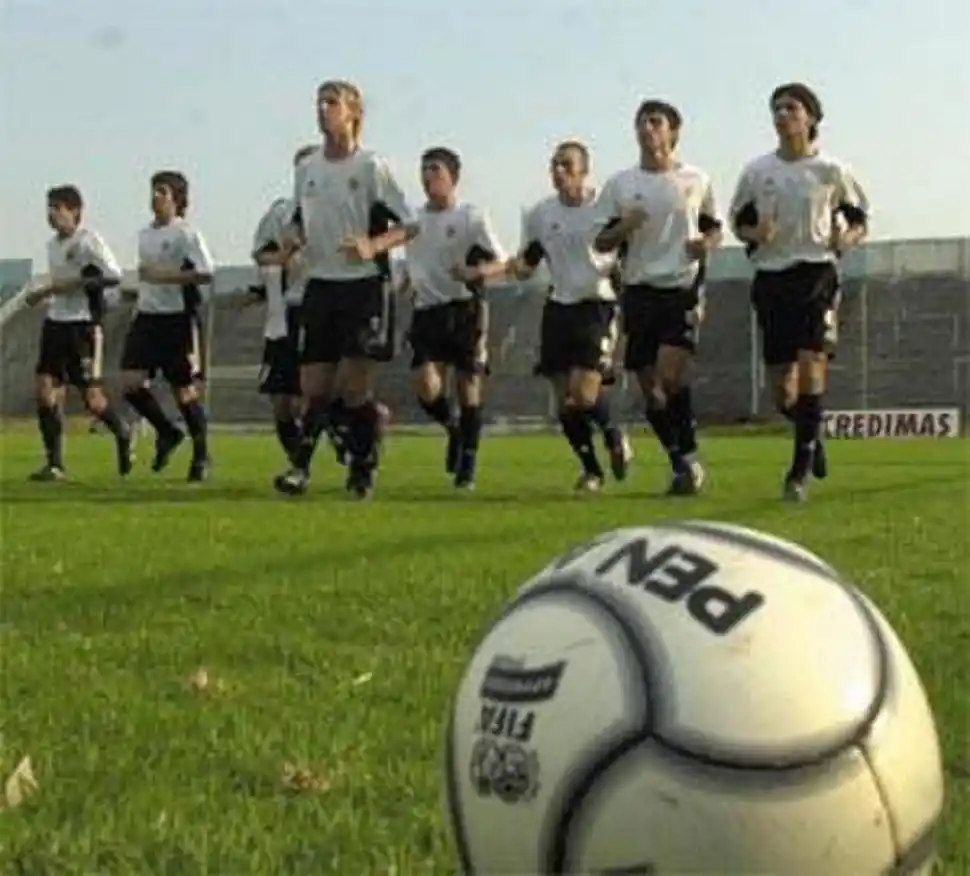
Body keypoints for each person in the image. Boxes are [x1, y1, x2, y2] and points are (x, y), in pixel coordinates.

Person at [273, 79, 414, 499]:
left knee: (353, 388)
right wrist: (293, 240)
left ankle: (358, 466)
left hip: (363, 288)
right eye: (319, 102)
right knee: (314, 389)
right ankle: (305, 467)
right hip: (320, 286)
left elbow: (409, 224)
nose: (322, 109)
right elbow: (298, 219)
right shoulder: (307, 169)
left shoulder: (371, 167)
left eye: (331, 103)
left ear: (353, 113)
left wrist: (373, 245)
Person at [729, 82, 868, 501]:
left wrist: (848, 239)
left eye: (790, 108)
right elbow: (737, 222)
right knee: (782, 391)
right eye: (776, 109)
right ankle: (811, 432)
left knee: (812, 363)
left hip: (816, 275)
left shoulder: (831, 170)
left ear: (810, 117)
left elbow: (860, 217)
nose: (782, 115)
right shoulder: (757, 172)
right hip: (772, 279)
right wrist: (757, 231)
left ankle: (798, 471)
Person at [594, 99, 723, 495]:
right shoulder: (620, 185)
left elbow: (714, 228)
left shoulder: (695, 179)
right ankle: (681, 459)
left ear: (673, 132)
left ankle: (688, 453)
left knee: (670, 375)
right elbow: (600, 241)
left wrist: (707, 244)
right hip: (638, 290)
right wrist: (624, 227)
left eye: (655, 121)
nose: (647, 128)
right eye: (641, 122)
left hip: (681, 287)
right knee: (650, 388)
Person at [505, 140, 632, 493]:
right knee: (564, 400)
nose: (559, 172)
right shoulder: (542, 215)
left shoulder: (604, 207)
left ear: (584, 170)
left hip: (597, 304)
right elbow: (528, 261)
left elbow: (628, 248)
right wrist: (518, 268)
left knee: (585, 394)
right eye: (554, 165)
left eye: (567, 165)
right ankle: (592, 470)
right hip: (559, 307)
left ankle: (613, 433)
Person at [402, 147, 506, 489]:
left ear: (453, 177)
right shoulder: (414, 221)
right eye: (424, 170)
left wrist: (475, 272)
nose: (428, 176)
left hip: (464, 309)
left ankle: (468, 467)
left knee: (468, 386)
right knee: (426, 385)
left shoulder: (471, 217)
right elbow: (415, 260)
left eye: (436, 169)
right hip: (426, 311)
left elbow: (502, 263)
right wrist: (406, 281)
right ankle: (453, 428)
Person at [25, 185, 132, 481]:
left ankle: (122, 430)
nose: (52, 214)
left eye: (58, 207)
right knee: (45, 392)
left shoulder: (88, 241)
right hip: (55, 323)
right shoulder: (52, 246)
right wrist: (43, 294)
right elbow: (58, 284)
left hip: (82, 326)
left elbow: (113, 275)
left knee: (92, 400)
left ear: (75, 211)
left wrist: (68, 285)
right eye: (49, 207)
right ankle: (55, 464)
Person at [119, 170, 216, 481]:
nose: (155, 197)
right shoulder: (144, 234)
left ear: (177, 198)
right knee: (130, 383)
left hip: (177, 318)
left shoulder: (186, 234)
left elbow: (206, 273)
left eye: (162, 191)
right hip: (147, 316)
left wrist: (166, 276)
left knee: (184, 391)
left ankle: (201, 456)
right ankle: (168, 431)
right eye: (153, 191)